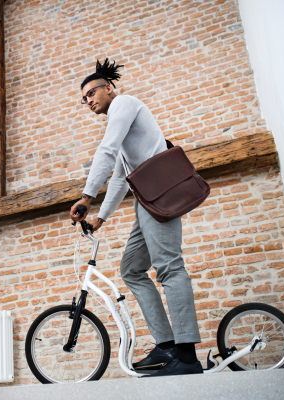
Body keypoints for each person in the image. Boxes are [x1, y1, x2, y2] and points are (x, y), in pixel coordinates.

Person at [69, 59, 203, 377]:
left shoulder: (124, 105)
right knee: (131, 269)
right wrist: (100, 217)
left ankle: (186, 357)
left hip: (161, 195)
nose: (88, 100)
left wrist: (87, 196)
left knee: (170, 267)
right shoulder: (121, 122)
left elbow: (107, 150)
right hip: (146, 201)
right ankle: (167, 345)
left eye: (91, 93)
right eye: (83, 98)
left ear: (109, 88)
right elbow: (119, 178)